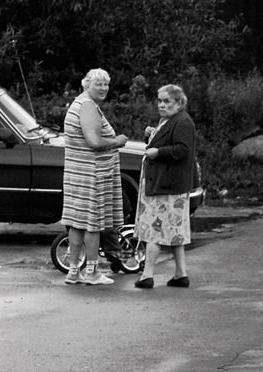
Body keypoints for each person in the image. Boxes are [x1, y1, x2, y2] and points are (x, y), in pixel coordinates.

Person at [61, 68, 130, 285]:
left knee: (77, 223)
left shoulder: (79, 104)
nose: (103, 88)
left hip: (78, 172)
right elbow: (94, 141)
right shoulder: (87, 106)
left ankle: (73, 271)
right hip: (91, 174)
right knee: (93, 223)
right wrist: (116, 141)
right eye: (98, 84)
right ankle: (91, 272)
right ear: (86, 85)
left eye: (106, 84)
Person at [133, 84, 197, 289]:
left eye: (166, 101)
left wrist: (157, 152)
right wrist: (150, 136)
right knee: (175, 230)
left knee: (154, 229)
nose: (161, 104)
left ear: (179, 103)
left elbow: (182, 150)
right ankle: (181, 273)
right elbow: (167, 141)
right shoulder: (168, 120)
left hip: (168, 185)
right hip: (166, 184)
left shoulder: (183, 121)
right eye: (159, 100)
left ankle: (147, 275)